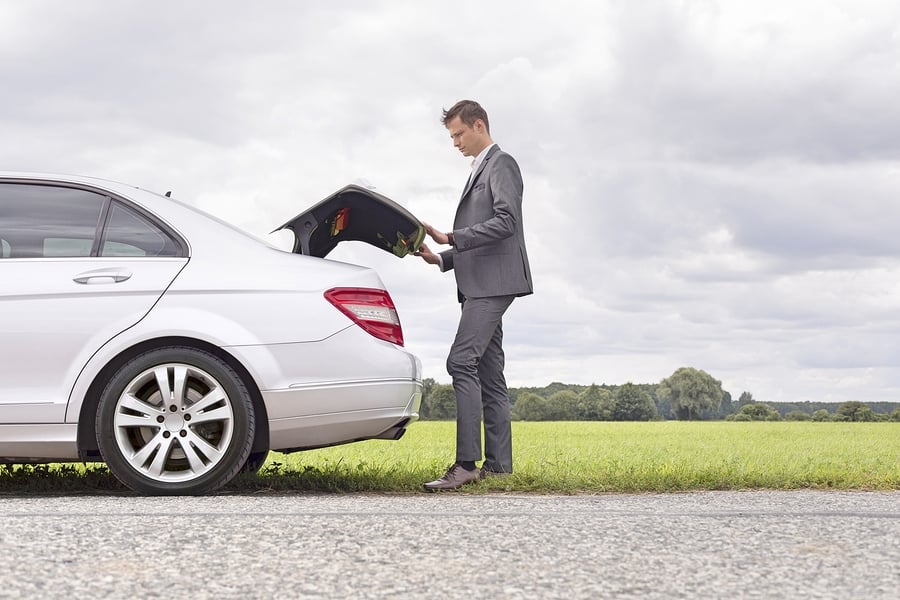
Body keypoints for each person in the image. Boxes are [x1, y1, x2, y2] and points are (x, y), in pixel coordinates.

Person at [415, 99, 533, 491]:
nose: (455, 143)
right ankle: (498, 467)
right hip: (479, 281)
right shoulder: (479, 169)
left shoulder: (501, 164)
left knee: (460, 362)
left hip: (494, 284)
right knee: (488, 373)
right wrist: (441, 259)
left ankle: (466, 464)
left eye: (458, 134)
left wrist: (453, 237)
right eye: (451, 136)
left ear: (478, 125)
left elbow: (506, 221)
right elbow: (483, 232)